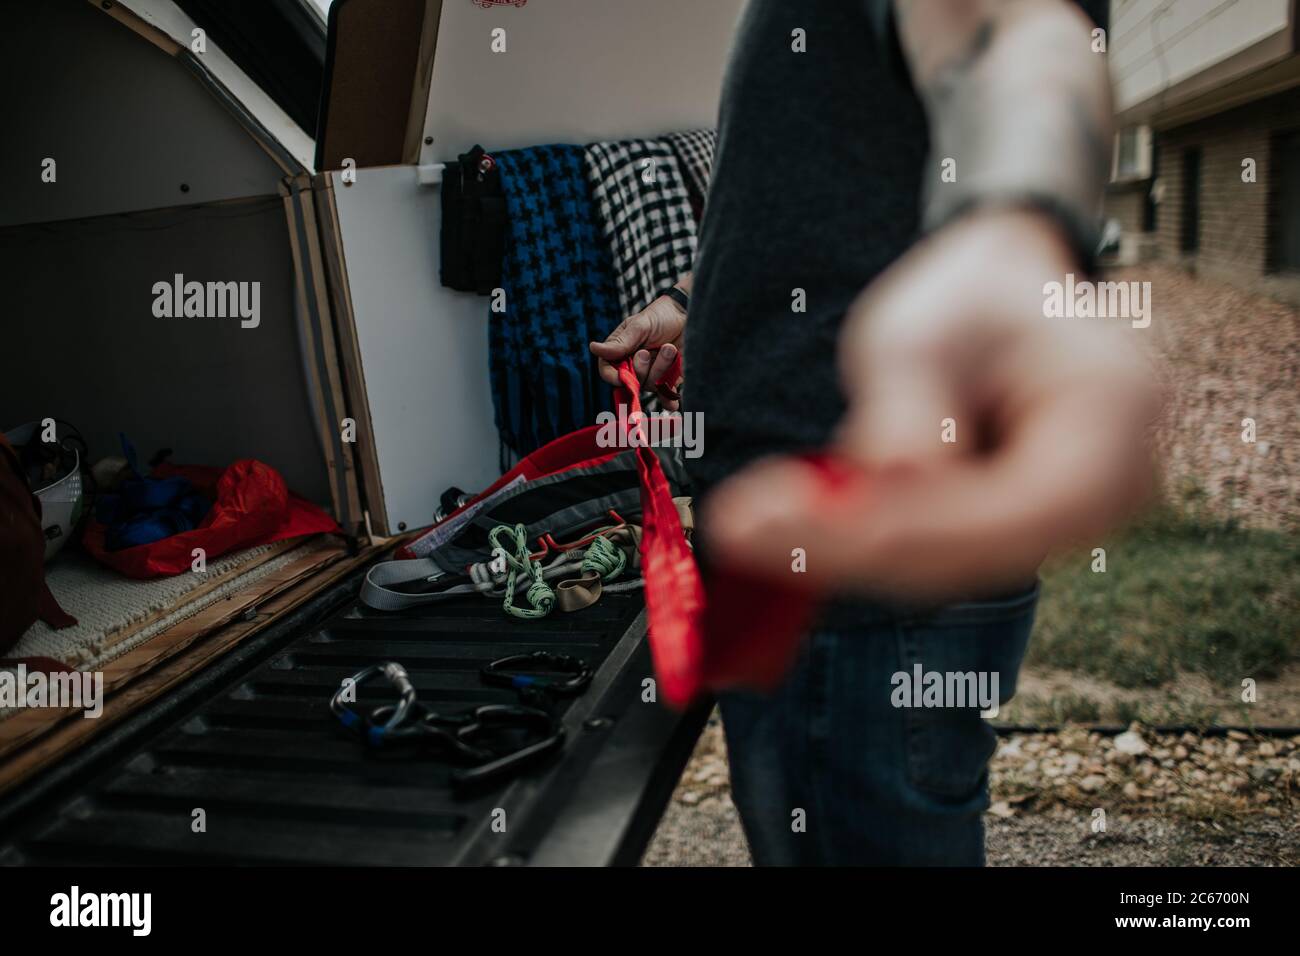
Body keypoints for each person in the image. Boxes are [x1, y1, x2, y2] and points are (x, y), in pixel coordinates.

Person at [591, 0, 1158, 865]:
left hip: (860, 577)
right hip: (826, 576)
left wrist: (1017, 227)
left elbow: (1015, 33)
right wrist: (699, 305)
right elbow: (832, 188)